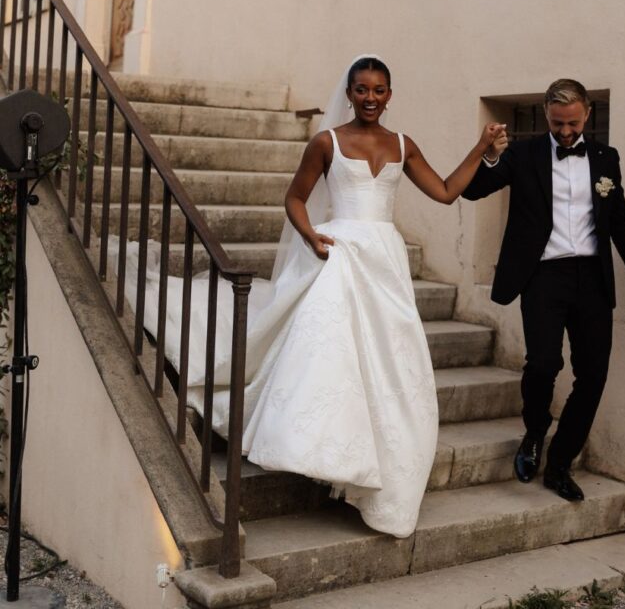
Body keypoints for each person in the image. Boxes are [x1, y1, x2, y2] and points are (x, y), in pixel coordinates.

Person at [128, 55, 505, 538]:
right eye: (362, 89)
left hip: (384, 262)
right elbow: (295, 198)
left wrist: (481, 147)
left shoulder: (403, 145)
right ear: (349, 93)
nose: (371, 98)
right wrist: (310, 236)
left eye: (380, 90)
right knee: (334, 354)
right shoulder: (326, 142)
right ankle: (334, 453)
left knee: (391, 360)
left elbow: (448, 191)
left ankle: (383, 468)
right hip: (340, 254)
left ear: (391, 95)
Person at [463, 78, 625, 502]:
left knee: (593, 376)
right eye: (556, 124)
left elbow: (619, 221)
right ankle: (534, 432)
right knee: (542, 365)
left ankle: (561, 463)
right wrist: (491, 156)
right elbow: (474, 189)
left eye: (572, 123)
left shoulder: (607, 158)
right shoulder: (525, 153)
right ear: (546, 116)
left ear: (587, 113)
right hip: (543, 276)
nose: (565, 133)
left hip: (591, 278)